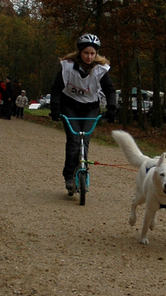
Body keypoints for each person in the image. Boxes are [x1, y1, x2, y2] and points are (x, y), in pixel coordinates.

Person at [50, 33, 117, 194]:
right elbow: (56, 89)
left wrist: (112, 108)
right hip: (70, 105)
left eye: (92, 53)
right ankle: (69, 175)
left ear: (96, 54)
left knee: (84, 139)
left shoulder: (100, 70)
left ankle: (83, 169)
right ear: (80, 52)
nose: (89, 56)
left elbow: (110, 90)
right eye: (86, 53)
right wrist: (55, 109)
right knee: (73, 140)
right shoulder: (67, 67)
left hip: (90, 107)